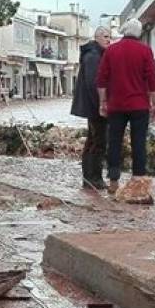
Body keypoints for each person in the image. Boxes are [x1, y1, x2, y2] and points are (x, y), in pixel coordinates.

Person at [96, 18, 155, 194]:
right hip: (139, 105)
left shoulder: (111, 50)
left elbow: (101, 79)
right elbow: (152, 80)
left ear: (124, 31)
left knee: (114, 142)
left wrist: (103, 102)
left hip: (116, 105)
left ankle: (114, 179)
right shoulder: (145, 51)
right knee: (138, 142)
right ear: (139, 33)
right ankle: (138, 179)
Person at [71, 27, 112, 190]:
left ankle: (91, 177)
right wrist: (101, 105)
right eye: (106, 37)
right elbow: (94, 83)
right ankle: (93, 177)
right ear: (98, 38)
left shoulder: (95, 54)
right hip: (94, 107)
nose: (110, 40)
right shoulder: (94, 56)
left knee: (94, 140)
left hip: (92, 106)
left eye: (111, 37)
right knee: (98, 141)